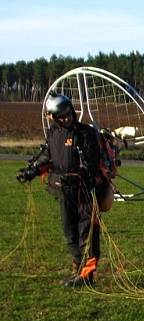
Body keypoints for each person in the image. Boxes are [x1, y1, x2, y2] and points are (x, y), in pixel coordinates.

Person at [16, 92, 110, 287]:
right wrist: (30, 172)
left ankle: (87, 276)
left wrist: (80, 174)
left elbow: (91, 162)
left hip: (84, 192)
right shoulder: (53, 134)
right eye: (62, 116)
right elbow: (45, 158)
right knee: (70, 233)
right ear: (53, 118)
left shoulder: (85, 133)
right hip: (64, 192)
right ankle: (78, 269)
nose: (66, 118)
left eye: (68, 114)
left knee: (87, 234)